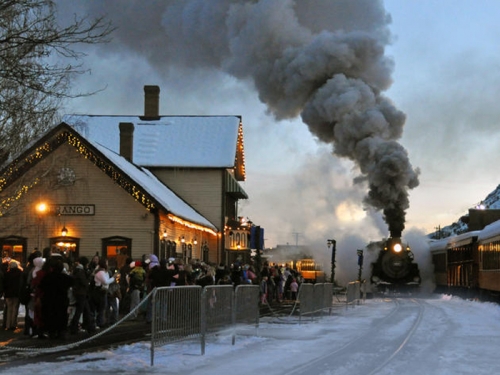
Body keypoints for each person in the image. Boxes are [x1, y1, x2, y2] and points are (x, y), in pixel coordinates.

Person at [39, 257, 74, 339]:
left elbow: (41, 286)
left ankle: (52, 332)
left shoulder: (47, 277)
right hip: (62, 300)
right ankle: (61, 332)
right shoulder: (65, 277)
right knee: (62, 316)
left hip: (49, 300)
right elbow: (72, 282)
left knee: (51, 316)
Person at [70, 256, 95, 334]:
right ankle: (76, 327)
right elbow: (85, 282)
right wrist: (90, 278)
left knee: (84, 310)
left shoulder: (77, 270)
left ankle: (88, 326)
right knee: (81, 310)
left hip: (79, 293)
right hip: (81, 293)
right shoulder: (80, 271)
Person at [93, 258, 117, 328]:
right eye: (106, 263)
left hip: (103, 291)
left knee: (103, 306)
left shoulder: (103, 271)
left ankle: (101, 321)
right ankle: (99, 322)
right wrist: (113, 278)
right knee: (101, 307)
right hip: (100, 291)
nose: (107, 264)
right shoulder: (100, 272)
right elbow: (105, 281)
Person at [3, 260, 23, 330]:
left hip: (8, 293)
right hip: (16, 293)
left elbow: (4, 284)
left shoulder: (7, 273)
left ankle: (8, 325)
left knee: (9, 309)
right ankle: (13, 324)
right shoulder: (20, 273)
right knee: (15, 309)